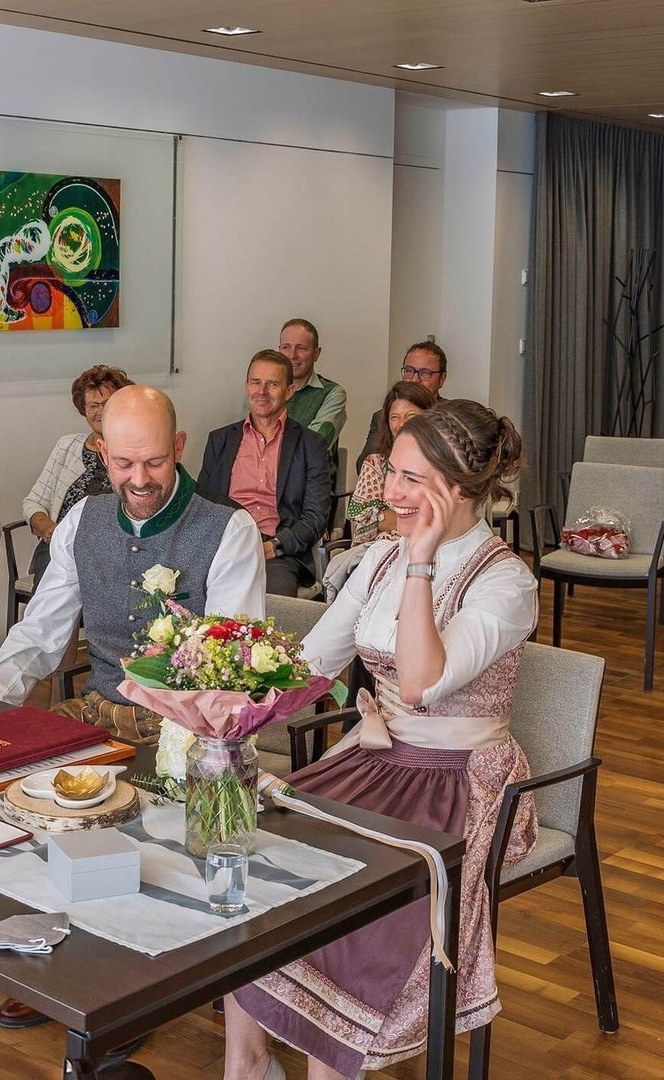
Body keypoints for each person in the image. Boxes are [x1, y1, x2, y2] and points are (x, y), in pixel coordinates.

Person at [224, 398, 538, 1080]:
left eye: (410, 478)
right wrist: (224, 716)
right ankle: (246, 1066)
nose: (389, 491)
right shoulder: (377, 560)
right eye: (390, 471)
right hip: (379, 759)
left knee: (349, 901)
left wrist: (420, 561)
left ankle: (330, 1068)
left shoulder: (506, 582)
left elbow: (421, 683)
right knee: (248, 851)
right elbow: (311, 664)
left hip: (457, 781)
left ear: (459, 489)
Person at [0, 384, 265, 1032]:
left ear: (179, 448)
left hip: (189, 728)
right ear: (102, 453)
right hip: (99, 716)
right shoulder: (83, 521)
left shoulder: (229, 531)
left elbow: (232, 675)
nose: (139, 480)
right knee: (19, 798)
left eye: (155, 462)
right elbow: (39, 634)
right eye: (124, 463)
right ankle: (51, 944)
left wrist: (184, 730)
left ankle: (135, 987)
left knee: (154, 835)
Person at [201, 350, 331, 595]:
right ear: (246, 386)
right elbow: (204, 506)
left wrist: (274, 547)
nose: (261, 392)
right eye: (255, 382)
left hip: (277, 552)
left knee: (270, 607)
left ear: (289, 391)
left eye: (272, 384)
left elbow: (315, 518)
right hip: (225, 547)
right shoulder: (220, 440)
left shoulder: (310, 445)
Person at [21, 364, 131, 583]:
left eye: (108, 404)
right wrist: (48, 529)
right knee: (52, 596)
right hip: (60, 549)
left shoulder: (134, 449)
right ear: (83, 410)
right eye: (93, 405)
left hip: (115, 553)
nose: (100, 411)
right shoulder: (67, 446)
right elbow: (33, 502)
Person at [325, 380, 437, 595]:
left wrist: (386, 517)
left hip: (432, 556)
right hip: (380, 555)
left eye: (411, 415)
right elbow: (360, 516)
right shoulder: (376, 463)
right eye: (394, 417)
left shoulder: (443, 466)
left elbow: (446, 521)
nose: (401, 424)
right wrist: (422, 520)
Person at [360, 341, 449, 472]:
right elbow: (363, 466)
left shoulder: (452, 416)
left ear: (442, 379)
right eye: (409, 371)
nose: (415, 380)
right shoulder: (384, 415)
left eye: (425, 373)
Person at [271, 317, 347, 463]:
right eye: (286, 347)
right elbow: (247, 440)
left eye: (301, 348)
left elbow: (315, 446)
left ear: (316, 353)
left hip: (309, 476)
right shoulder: (261, 391)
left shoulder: (333, 394)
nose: (292, 355)